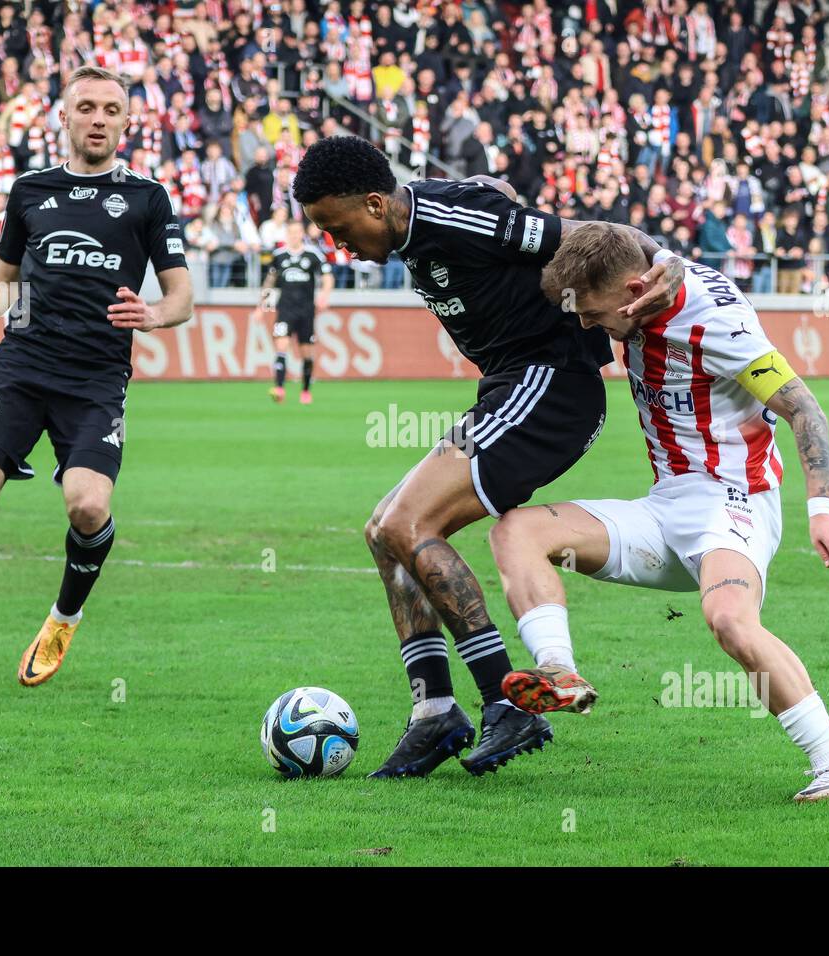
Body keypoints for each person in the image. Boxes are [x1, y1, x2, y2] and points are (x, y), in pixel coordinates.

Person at [292, 135, 684, 778]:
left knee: (405, 524)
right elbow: (493, 202)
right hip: (510, 386)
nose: (337, 245)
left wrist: (662, 257)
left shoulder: (448, 218)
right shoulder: (418, 223)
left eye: (337, 229)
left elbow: (584, 233)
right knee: (382, 531)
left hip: (551, 386)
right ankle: (435, 711)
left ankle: (509, 703)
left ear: (373, 203)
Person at [490, 223, 829, 802]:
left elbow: (806, 410)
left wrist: (823, 511)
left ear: (635, 289)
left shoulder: (718, 324)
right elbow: (618, 233)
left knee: (729, 620)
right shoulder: (646, 281)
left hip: (734, 502)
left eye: (594, 313)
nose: (588, 325)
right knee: (517, 529)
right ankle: (558, 670)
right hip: (666, 505)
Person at [0, 67, 194, 694]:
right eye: (87, 107)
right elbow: (2, 284)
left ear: (127, 121)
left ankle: (64, 617)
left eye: (111, 108)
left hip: (97, 376)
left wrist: (155, 315)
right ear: (64, 116)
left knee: (88, 505)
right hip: (22, 366)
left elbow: (183, 295)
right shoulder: (30, 191)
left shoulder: (147, 198)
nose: (99, 118)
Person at [251, 220, 332, 404]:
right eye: (291, 232)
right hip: (285, 310)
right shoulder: (279, 256)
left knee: (306, 354)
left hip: (306, 312)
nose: (294, 235)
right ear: (287, 234)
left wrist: (324, 295)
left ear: (301, 233)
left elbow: (327, 277)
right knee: (281, 348)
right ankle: (279, 388)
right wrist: (260, 307)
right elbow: (270, 282)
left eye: (297, 232)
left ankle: (305, 390)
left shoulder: (313, 255)